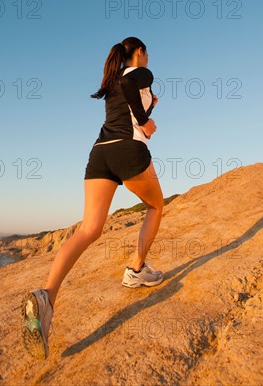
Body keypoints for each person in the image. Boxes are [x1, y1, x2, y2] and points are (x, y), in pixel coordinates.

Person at [22, 36, 165, 360]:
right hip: (128, 151)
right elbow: (134, 100)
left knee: (89, 229)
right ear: (139, 53)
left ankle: (46, 299)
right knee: (156, 206)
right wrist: (146, 121)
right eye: (146, 54)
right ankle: (136, 270)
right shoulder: (139, 72)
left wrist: (148, 107)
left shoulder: (114, 81)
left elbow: (128, 104)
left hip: (100, 154)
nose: (147, 59)